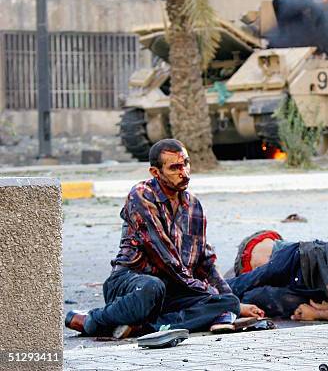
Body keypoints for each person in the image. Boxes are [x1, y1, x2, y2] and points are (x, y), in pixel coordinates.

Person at [65, 139, 264, 338]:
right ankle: (93, 320)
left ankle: (148, 326)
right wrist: (215, 297)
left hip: (174, 289)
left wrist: (233, 302)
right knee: (153, 287)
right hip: (132, 283)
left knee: (227, 302)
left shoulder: (194, 206)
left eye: (186, 163)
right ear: (156, 172)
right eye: (175, 168)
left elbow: (206, 262)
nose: (184, 172)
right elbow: (167, 259)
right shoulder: (141, 196)